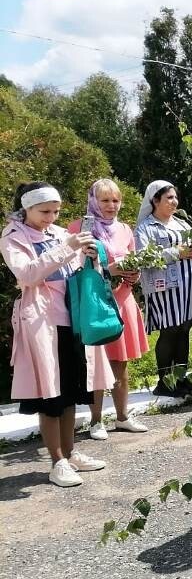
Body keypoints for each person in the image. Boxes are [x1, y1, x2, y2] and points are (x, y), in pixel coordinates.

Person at [2, 182, 111, 487]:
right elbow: (27, 274)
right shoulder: (13, 237)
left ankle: (71, 452)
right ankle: (56, 460)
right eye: (44, 211)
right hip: (41, 321)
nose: (51, 217)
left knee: (72, 390)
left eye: (56, 211)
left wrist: (91, 254)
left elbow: (74, 268)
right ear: (27, 208)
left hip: (72, 318)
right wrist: (69, 247)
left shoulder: (61, 233)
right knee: (50, 393)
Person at [68, 179, 150, 439]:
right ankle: (95, 421)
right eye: (105, 200)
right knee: (95, 363)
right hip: (95, 302)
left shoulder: (125, 229)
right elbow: (76, 267)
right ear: (94, 201)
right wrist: (112, 269)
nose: (111, 205)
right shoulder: (80, 228)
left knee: (120, 362)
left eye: (115, 200)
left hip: (122, 299)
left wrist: (133, 275)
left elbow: (135, 259)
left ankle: (123, 416)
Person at [135, 181, 192, 397]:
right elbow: (143, 258)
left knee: (184, 330)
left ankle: (180, 378)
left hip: (188, 285)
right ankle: (164, 381)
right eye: (169, 198)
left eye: (175, 197)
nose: (174, 202)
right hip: (164, 288)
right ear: (155, 200)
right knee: (169, 331)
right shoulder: (145, 228)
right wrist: (175, 253)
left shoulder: (182, 225)